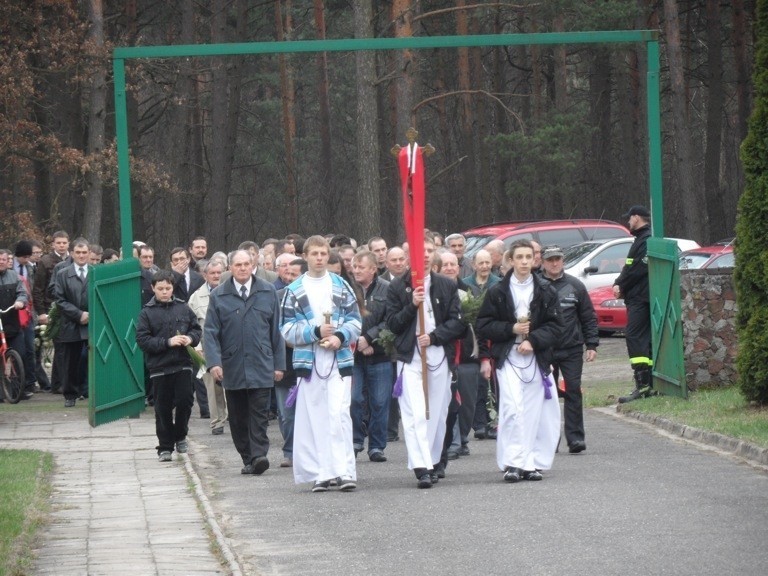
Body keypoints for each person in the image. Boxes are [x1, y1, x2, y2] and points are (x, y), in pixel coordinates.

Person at [476, 240, 563, 483]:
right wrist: (511, 329)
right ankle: (513, 463)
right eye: (519, 257)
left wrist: (533, 340)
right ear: (510, 261)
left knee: (533, 412)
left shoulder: (546, 290)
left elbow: (556, 326)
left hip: (535, 358)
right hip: (508, 357)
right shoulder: (498, 292)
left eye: (528, 257)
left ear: (534, 260)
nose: (524, 262)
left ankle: (530, 463)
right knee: (513, 410)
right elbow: (483, 325)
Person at [280, 235, 361, 492]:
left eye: (323, 254)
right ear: (305, 256)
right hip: (309, 360)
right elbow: (286, 329)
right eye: (314, 254)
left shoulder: (341, 286)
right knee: (316, 417)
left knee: (339, 414)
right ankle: (322, 473)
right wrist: (315, 332)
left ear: (328, 256)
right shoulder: (293, 291)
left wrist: (339, 337)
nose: (319, 259)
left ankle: (345, 471)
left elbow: (355, 321)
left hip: (339, 359)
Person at [386, 237, 464, 488]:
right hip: (410, 358)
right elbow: (393, 324)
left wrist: (434, 337)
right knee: (416, 413)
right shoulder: (398, 286)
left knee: (438, 413)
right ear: (410, 257)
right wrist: (412, 305)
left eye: (430, 250)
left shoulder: (446, 285)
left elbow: (458, 322)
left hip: (438, 356)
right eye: (421, 251)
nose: (426, 255)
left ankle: (432, 460)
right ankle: (421, 467)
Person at [204, 250, 286, 476]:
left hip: (261, 362)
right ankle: (248, 456)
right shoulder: (220, 295)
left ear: (253, 266)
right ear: (230, 267)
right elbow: (210, 332)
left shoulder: (268, 291)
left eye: (246, 264)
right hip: (232, 365)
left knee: (259, 414)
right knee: (239, 417)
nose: (242, 268)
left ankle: (259, 455)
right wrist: (214, 363)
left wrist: (279, 364)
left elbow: (276, 331)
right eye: (237, 265)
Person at [136, 270, 201, 462]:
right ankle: (165, 446)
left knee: (185, 402)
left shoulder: (183, 308)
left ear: (173, 288)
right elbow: (143, 340)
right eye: (160, 289)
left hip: (182, 364)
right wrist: (167, 342)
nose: (165, 292)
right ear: (153, 288)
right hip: (159, 367)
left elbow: (196, 329)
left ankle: (180, 435)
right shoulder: (146, 313)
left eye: (168, 288)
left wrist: (190, 338)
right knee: (162, 408)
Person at [540, 245, 599, 453]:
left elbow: (588, 316)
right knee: (548, 395)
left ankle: (575, 438)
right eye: (550, 260)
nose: (554, 263)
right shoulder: (536, 285)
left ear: (563, 261)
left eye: (558, 259)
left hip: (572, 347)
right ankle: (549, 439)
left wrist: (591, 344)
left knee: (573, 390)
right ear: (542, 262)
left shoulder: (575, 285)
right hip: (545, 348)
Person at [350, 250, 393, 462]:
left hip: (380, 355)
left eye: (361, 267)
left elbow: (392, 320)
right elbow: (343, 317)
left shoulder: (388, 289)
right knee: (354, 399)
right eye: (354, 267)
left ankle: (376, 446)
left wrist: (370, 338)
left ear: (373, 269)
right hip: (353, 356)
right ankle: (356, 439)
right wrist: (358, 341)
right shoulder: (347, 289)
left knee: (379, 402)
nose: (356, 271)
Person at [614, 205, 654, 403]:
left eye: (629, 219)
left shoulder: (646, 240)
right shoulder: (640, 240)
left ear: (636, 217)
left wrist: (620, 284)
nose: (628, 222)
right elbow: (631, 267)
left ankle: (644, 385)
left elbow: (637, 270)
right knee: (644, 338)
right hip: (638, 297)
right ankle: (649, 384)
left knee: (634, 336)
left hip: (641, 298)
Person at [188, 259, 228, 436]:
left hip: (229, 347)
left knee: (232, 386)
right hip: (206, 349)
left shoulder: (230, 292)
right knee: (212, 388)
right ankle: (217, 422)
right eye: (212, 273)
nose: (216, 276)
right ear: (205, 275)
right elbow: (191, 325)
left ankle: (235, 419)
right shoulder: (196, 297)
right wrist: (196, 347)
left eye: (219, 273)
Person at [53, 239, 91, 408]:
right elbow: (60, 300)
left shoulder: (97, 272)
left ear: (89, 253)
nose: (81, 256)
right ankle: (70, 394)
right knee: (70, 362)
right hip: (71, 323)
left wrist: (92, 314)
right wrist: (78, 314)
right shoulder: (63, 273)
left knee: (96, 359)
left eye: (84, 252)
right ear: (73, 253)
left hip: (93, 322)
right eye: (78, 252)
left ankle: (94, 392)